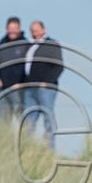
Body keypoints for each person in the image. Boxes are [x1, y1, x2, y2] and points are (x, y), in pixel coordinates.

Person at [23, 20, 63, 148]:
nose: (35, 33)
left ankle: (49, 148)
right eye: (32, 31)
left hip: (45, 89)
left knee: (48, 117)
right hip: (30, 88)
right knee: (29, 119)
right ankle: (27, 148)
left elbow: (58, 66)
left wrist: (47, 82)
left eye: (37, 30)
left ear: (43, 30)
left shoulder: (52, 44)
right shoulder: (30, 47)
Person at [0, 17, 28, 123]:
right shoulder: (2, 42)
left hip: (18, 88)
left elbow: (28, 66)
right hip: (3, 87)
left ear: (19, 29)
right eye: (10, 28)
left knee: (20, 116)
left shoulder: (25, 43)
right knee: (3, 118)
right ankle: (3, 138)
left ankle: (24, 138)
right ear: (6, 28)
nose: (12, 31)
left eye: (15, 28)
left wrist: (22, 83)